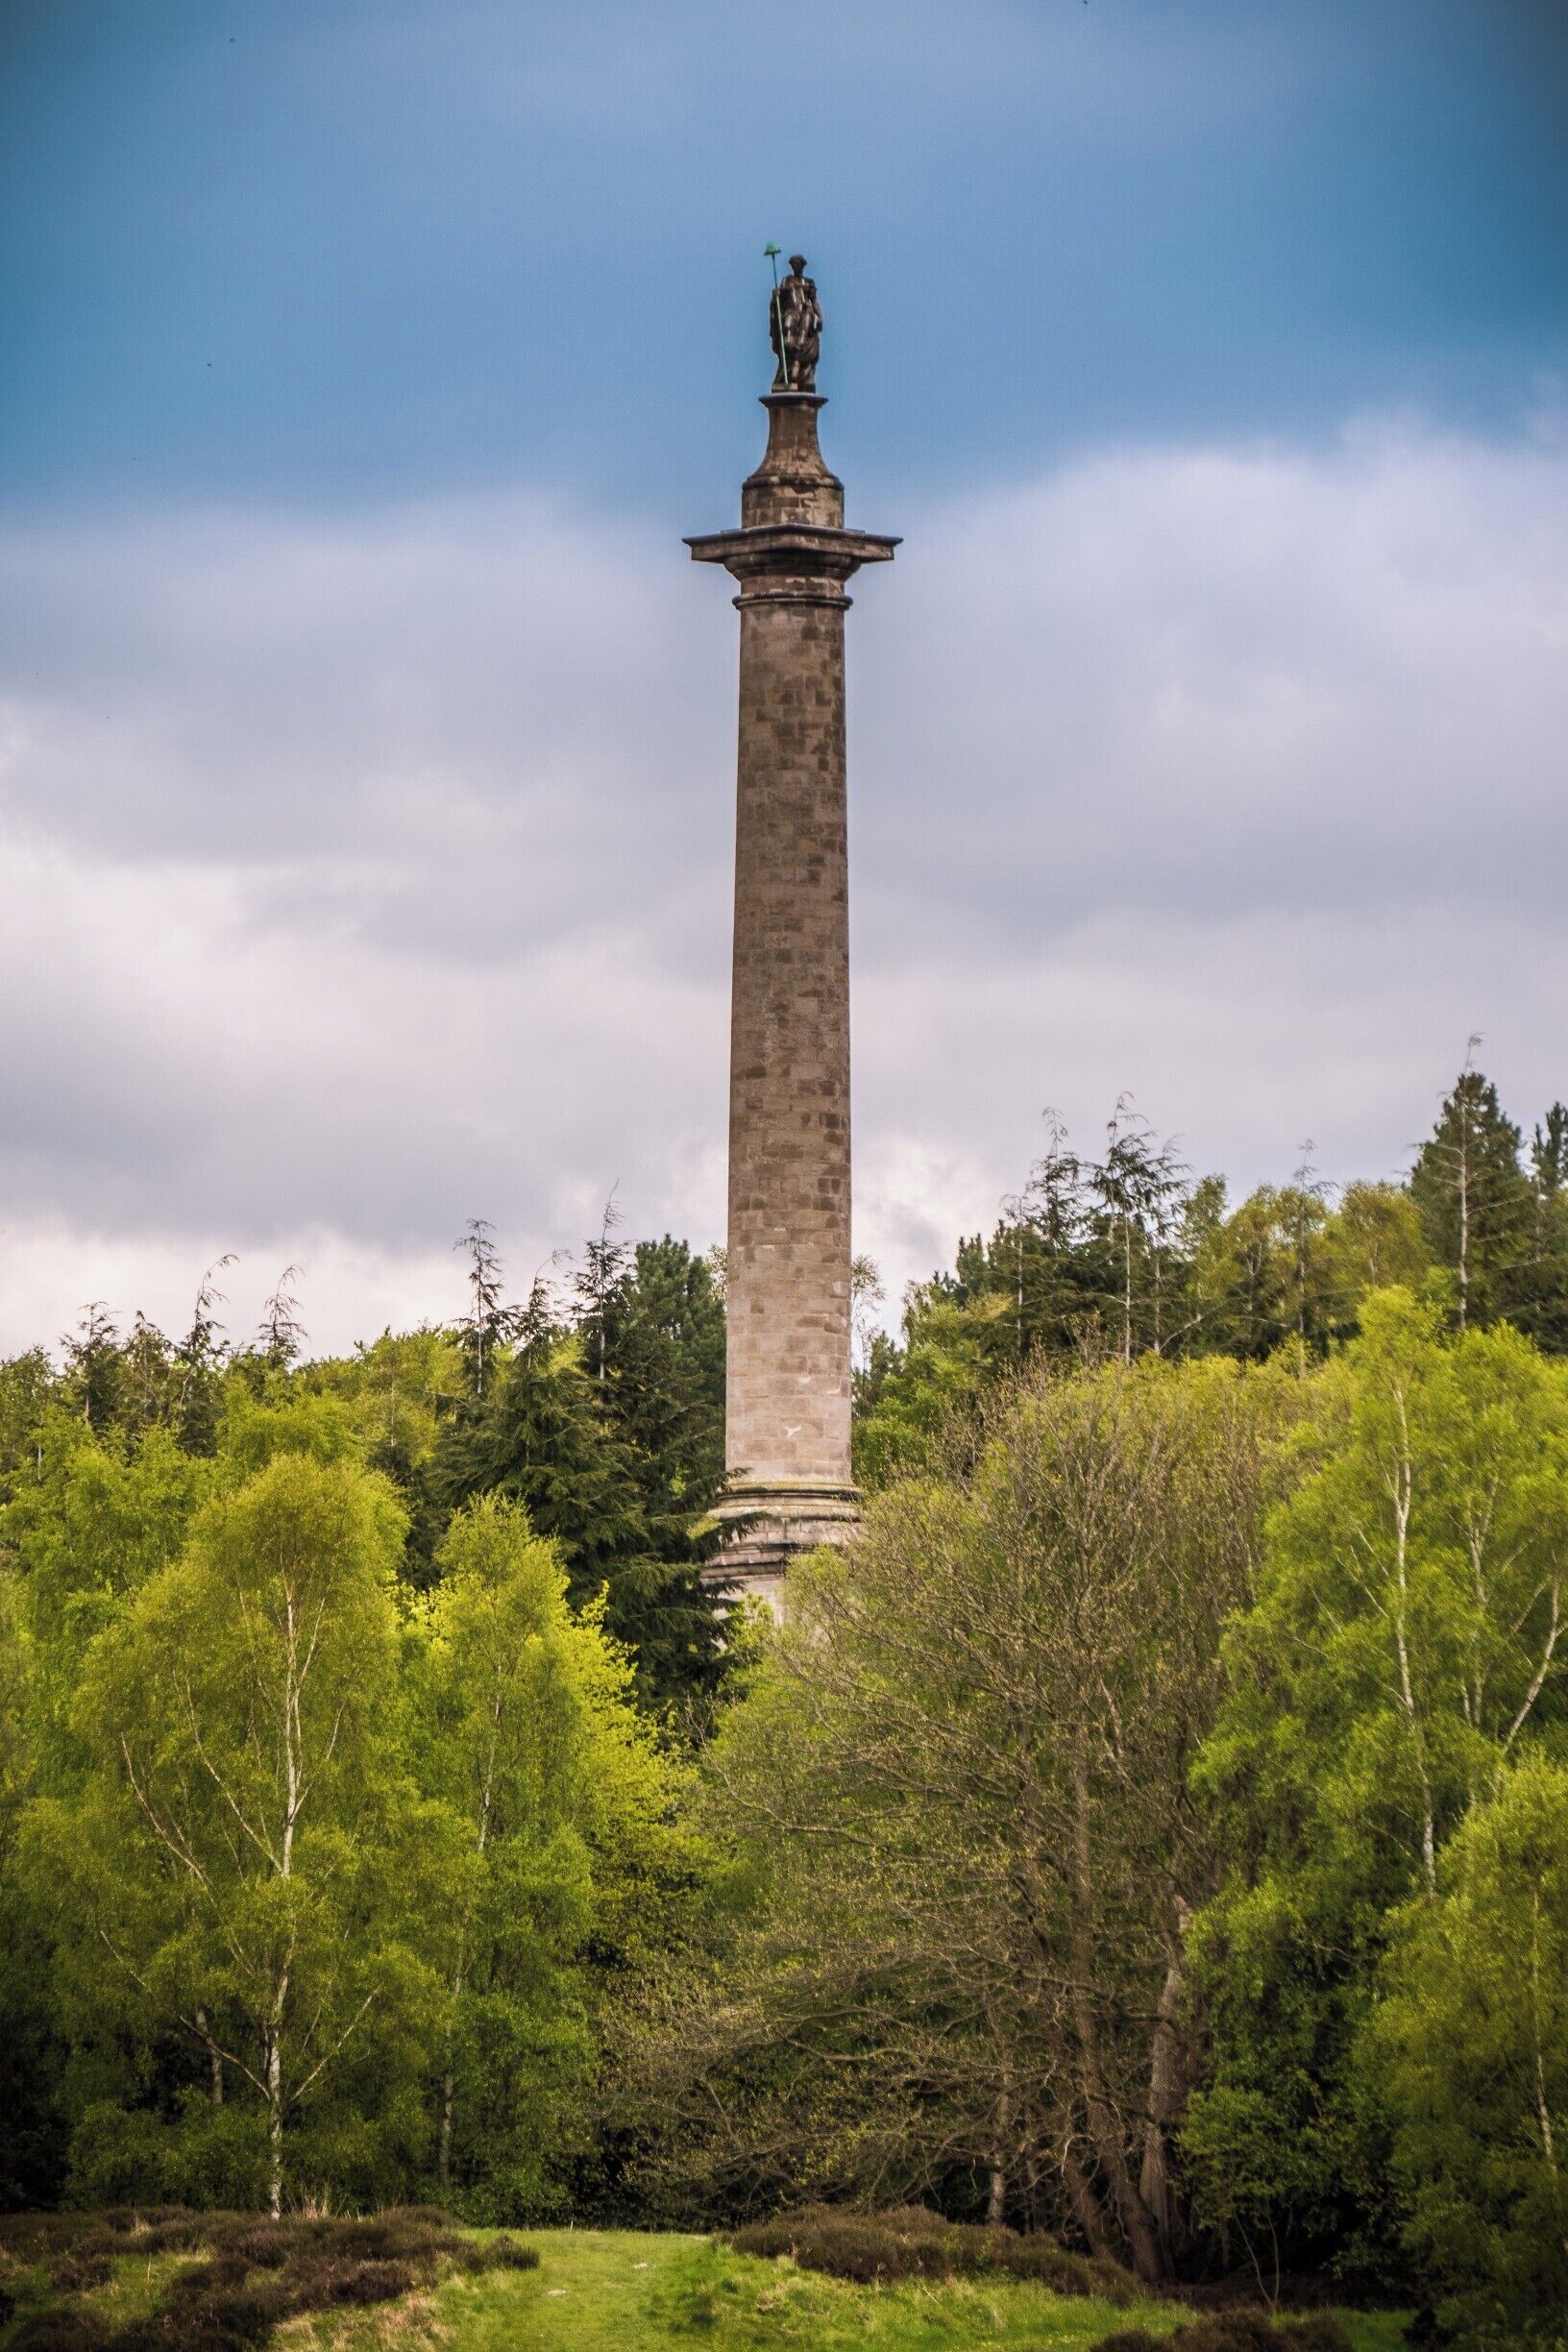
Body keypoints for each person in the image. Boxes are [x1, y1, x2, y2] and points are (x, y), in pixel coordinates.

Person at [770, 255, 822, 391]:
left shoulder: (809, 282)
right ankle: (791, 358)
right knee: (787, 322)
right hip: (791, 312)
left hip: (805, 311)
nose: (796, 267)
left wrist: (820, 316)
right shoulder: (787, 281)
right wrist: (776, 295)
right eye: (793, 264)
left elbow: (814, 301)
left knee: (807, 317)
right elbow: (779, 301)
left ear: (803, 266)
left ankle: (798, 358)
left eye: (798, 264)